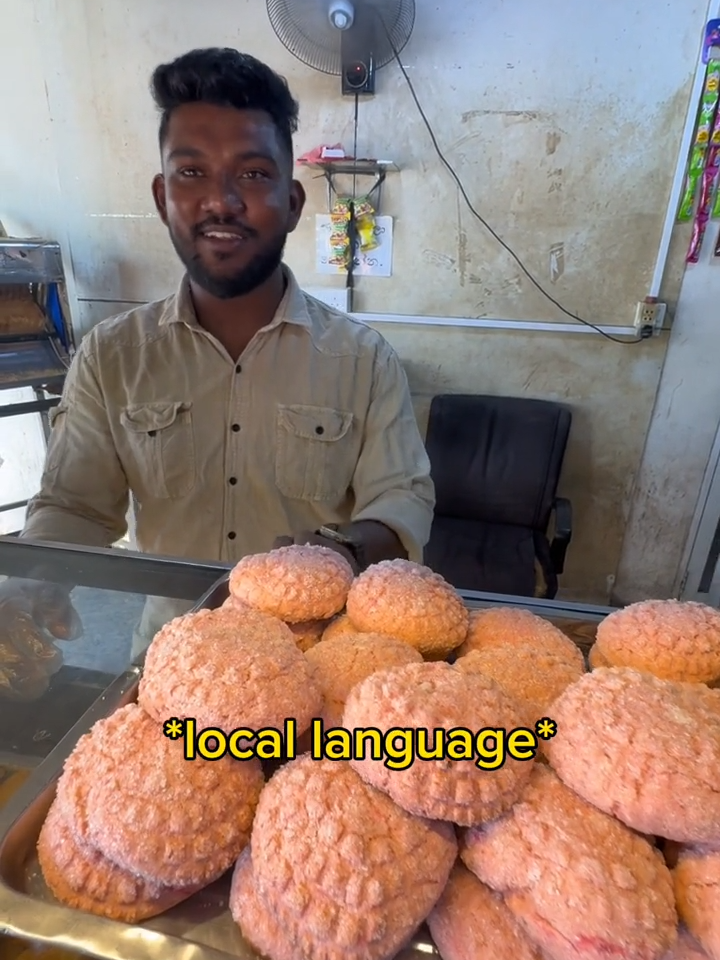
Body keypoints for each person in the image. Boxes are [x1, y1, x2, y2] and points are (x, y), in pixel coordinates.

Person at [9, 47, 435, 659]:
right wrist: (31, 582)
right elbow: (75, 504)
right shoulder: (113, 356)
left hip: (316, 667)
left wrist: (336, 552)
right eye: (192, 173)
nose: (221, 201)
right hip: (164, 662)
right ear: (162, 198)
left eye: (254, 174)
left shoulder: (362, 361)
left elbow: (402, 502)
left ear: (292, 203)